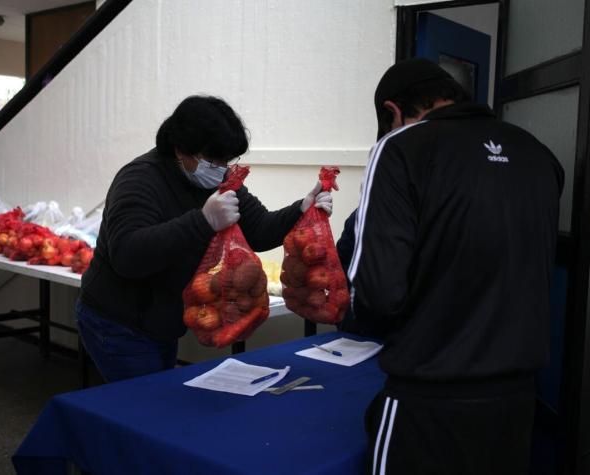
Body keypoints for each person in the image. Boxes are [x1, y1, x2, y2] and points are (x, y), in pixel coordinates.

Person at [349, 59, 564, 474]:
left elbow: (377, 295)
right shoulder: (538, 154)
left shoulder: (400, 148)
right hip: (517, 401)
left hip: (430, 399)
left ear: (393, 113)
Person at [77, 95, 333, 383]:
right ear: (181, 150)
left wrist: (302, 208)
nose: (221, 168)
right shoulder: (140, 179)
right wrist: (202, 222)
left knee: (158, 395)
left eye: (227, 160)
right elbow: (128, 255)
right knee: (145, 403)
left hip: (162, 318)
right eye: (212, 159)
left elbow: (259, 230)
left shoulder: (221, 180)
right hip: (118, 320)